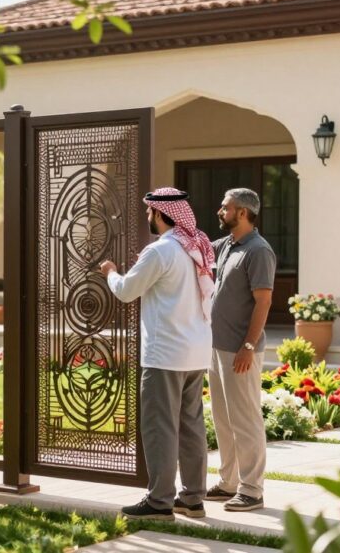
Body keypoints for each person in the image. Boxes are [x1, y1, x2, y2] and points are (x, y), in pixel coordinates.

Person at [99, 187, 215, 521]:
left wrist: (110, 271)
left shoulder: (161, 251)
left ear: (160, 213)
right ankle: (193, 499)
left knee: (159, 426)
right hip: (195, 351)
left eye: (149, 212)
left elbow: (125, 291)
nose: (148, 217)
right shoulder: (196, 247)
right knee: (191, 425)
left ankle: (160, 501)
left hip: (165, 353)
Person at [206, 188, 275, 512]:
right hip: (217, 347)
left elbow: (264, 301)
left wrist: (248, 345)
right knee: (223, 418)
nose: (220, 211)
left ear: (243, 212)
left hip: (241, 351)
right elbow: (197, 246)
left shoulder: (258, 251)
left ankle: (252, 489)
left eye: (226, 207)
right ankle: (229, 482)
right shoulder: (227, 246)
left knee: (245, 419)